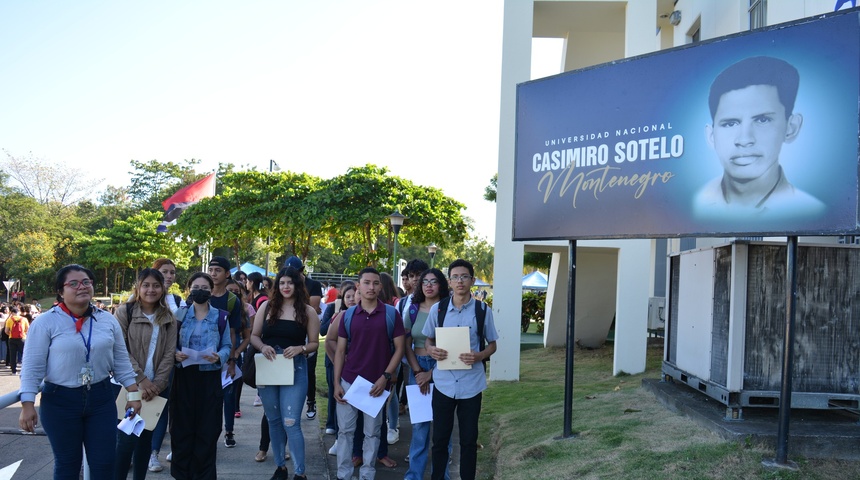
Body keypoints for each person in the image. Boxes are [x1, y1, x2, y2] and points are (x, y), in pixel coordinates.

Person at [19, 264, 142, 480]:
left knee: (104, 463)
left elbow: (121, 359)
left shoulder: (106, 320)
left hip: (101, 398)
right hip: (60, 401)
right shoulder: (46, 322)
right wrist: (27, 404)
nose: (81, 287)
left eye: (86, 282)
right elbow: (32, 366)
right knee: (68, 464)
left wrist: (133, 393)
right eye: (73, 283)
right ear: (60, 291)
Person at [693, 56, 825, 221]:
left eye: (762, 120)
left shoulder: (810, 212)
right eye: (730, 123)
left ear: (791, 128)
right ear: (711, 136)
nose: (744, 139)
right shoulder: (697, 204)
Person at [424, 259, 498, 480]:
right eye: (455, 277)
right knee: (439, 441)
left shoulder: (482, 310)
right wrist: (432, 350)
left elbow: (493, 344)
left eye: (464, 276)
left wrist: (479, 355)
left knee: (468, 440)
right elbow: (427, 340)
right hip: (444, 384)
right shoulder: (438, 309)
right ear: (449, 281)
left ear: (472, 280)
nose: (460, 281)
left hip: (471, 385)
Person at [333, 267, 406, 480]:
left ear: (381, 287)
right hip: (349, 382)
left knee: (372, 433)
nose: (371, 287)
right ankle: (343, 474)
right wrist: (336, 382)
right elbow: (340, 350)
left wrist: (385, 376)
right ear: (358, 286)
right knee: (345, 432)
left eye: (375, 283)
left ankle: (367, 473)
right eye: (366, 283)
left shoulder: (391, 314)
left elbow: (400, 348)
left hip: (376, 384)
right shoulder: (348, 315)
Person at [250, 267, 320, 480]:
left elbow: (315, 343)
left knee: (291, 422)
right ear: (276, 285)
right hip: (269, 368)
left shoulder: (308, 311)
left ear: (298, 285)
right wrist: (262, 347)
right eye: (282, 283)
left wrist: (302, 348)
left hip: (295, 368)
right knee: (274, 421)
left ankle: (300, 473)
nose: (286, 287)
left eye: (290, 282)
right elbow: (254, 336)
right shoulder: (267, 307)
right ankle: (280, 468)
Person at [114, 269, 177, 480]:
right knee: (124, 442)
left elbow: (169, 354)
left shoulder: (168, 317)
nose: (151, 290)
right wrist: (140, 379)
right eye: (146, 285)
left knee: (145, 441)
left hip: (155, 390)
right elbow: (119, 350)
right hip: (128, 387)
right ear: (138, 287)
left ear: (163, 288)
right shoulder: (125, 312)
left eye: (156, 285)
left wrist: (157, 385)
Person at [170, 272, 232, 480]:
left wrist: (219, 357)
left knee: (208, 430)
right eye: (196, 287)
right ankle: (182, 475)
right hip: (184, 377)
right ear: (189, 289)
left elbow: (227, 346)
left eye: (205, 287)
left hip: (209, 378)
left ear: (211, 291)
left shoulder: (221, 316)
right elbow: (169, 343)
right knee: (181, 429)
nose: (200, 291)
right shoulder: (179, 315)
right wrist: (175, 354)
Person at [403, 268, 450, 480]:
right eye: (425, 282)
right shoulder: (412, 310)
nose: (429, 285)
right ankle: (414, 476)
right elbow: (406, 343)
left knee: (443, 429)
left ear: (441, 285)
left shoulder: (449, 309)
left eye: (434, 281)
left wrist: (431, 374)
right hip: (417, 366)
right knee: (420, 427)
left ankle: (442, 475)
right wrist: (417, 371)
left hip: (444, 369)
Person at [206, 256, 243, 447]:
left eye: (218, 270)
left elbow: (233, 332)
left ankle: (229, 431)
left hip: (225, 355)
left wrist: (232, 360)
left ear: (227, 274)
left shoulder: (232, 300)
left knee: (228, 396)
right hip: (202, 356)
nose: (213, 273)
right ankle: (207, 434)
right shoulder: (201, 293)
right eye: (211, 269)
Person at [149, 258, 181, 472]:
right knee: (134, 409)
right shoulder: (135, 302)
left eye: (172, 272)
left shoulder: (178, 301)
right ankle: (133, 450)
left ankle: (153, 454)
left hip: (166, 365)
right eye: (164, 272)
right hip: (138, 368)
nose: (169, 276)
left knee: (159, 410)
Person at [282, 256, 322, 419]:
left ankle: (310, 401)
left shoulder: (314, 285)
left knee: (309, 370)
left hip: (306, 332)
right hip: (288, 332)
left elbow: (312, 307)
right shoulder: (285, 286)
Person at [322, 281, 357, 453]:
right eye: (347, 296)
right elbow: (325, 335)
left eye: (353, 296)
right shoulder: (336, 312)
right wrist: (336, 313)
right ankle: (335, 431)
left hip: (355, 364)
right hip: (334, 361)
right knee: (337, 396)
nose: (351, 299)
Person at [226, 278, 253, 419]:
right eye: (230, 291)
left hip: (236, 354)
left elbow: (248, 336)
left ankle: (235, 407)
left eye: (237, 291)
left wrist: (237, 352)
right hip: (217, 355)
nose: (234, 294)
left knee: (235, 385)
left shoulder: (244, 310)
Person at [4, 306, 28, 375]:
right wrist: (23, 333)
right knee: (24, 354)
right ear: (19, 312)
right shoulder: (24, 319)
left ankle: (14, 371)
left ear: (12, 313)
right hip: (22, 338)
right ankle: (25, 369)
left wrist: (11, 334)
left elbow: (6, 331)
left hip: (12, 339)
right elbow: (27, 329)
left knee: (13, 355)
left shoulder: (9, 320)